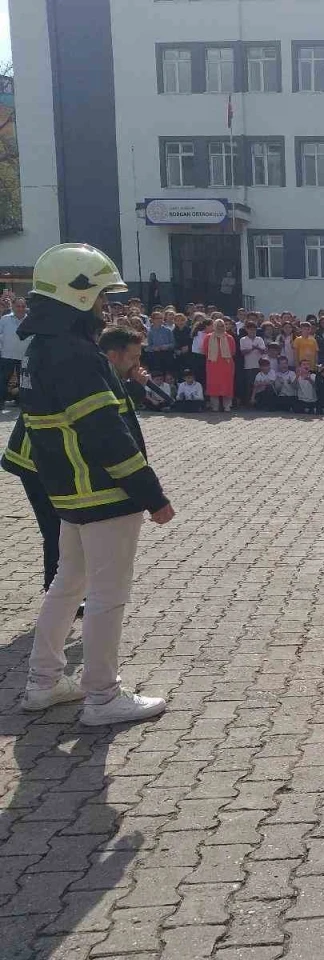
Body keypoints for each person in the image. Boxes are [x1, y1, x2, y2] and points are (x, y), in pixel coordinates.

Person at [5, 243, 172, 725]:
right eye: (100, 295)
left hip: (69, 492)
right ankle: (101, 695)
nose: (105, 306)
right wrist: (151, 495)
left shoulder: (42, 348)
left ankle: (43, 681)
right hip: (104, 493)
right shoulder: (77, 354)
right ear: (77, 295)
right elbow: (105, 434)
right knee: (106, 594)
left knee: (67, 584)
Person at [1, 297, 29, 407]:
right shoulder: (5, 319)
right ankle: (1, 401)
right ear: (13, 306)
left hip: (24, 356)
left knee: (23, 381)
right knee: (2, 379)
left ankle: (20, 401)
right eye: (18, 306)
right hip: (7, 355)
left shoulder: (29, 321)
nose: (20, 309)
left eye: (23, 306)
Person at [204, 318, 236, 412]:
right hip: (213, 365)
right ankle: (215, 406)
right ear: (214, 326)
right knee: (213, 385)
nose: (220, 327)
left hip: (226, 365)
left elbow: (233, 351)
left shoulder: (229, 338)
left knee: (227, 385)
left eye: (222, 326)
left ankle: (227, 406)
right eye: (218, 326)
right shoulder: (208, 337)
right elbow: (205, 351)